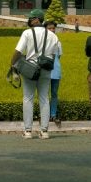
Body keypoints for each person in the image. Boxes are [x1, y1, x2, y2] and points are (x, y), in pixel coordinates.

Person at [9, 9, 60, 139]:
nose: (29, 20)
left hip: (30, 69)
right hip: (46, 69)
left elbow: (18, 51)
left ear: (37, 20)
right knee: (44, 98)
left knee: (28, 98)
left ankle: (28, 131)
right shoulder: (53, 36)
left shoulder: (27, 33)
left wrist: (12, 64)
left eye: (31, 18)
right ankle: (44, 131)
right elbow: (54, 56)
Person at [44, 21, 63, 128]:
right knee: (44, 94)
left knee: (54, 93)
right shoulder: (42, 42)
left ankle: (53, 114)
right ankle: (45, 114)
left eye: (53, 28)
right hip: (45, 71)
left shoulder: (58, 42)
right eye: (49, 28)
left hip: (55, 70)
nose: (52, 30)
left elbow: (58, 57)